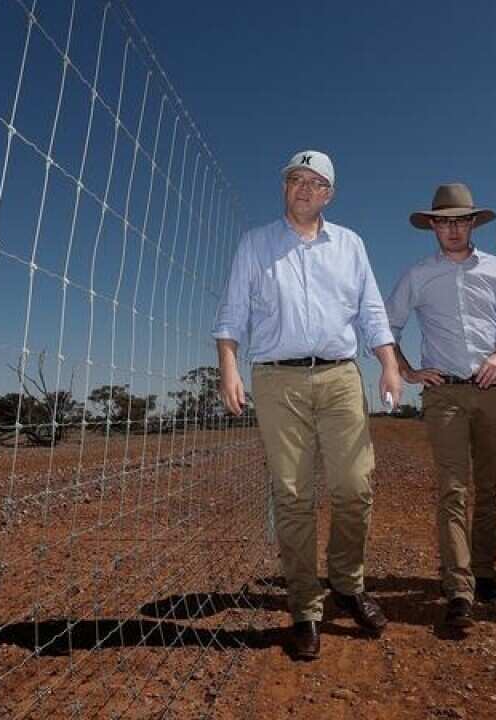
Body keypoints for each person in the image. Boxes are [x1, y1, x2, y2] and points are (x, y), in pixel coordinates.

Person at [212, 150, 403, 660]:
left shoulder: (351, 245)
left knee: (354, 485)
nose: (304, 188)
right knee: (293, 495)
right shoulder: (255, 244)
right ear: (284, 188)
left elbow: (371, 310)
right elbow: (232, 311)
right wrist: (228, 366)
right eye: (296, 179)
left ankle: (347, 582)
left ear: (329, 195)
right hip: (277, 379)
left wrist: (388, 363)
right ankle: (304, 609)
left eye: (315, 182)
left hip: (341, 376)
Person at [386, 183, 496, 628]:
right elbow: (386, 326)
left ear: (473, 224)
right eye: (444, 222)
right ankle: (459, 589)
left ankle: (483, 572)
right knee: (453, 489)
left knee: (488, 489)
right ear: (433, 226)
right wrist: (407, 371)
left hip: (493, 389)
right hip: (444, 394)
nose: (452, 230)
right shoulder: (418, 275)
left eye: (460, 221)